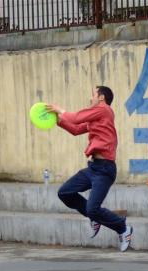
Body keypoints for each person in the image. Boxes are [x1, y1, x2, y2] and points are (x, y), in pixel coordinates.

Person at [46, 86, 133, 252]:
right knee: (65, 192)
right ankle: (93, 218)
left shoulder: (104, 110)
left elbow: (77, 117)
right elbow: (76, 128)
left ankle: (122, 228)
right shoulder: (97, 118)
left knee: (93, 208)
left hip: (105, 170)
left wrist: (60, 109)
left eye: (93, 94)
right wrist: (57, 119)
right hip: (93, 168)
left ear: (101, 97)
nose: (90, 98)